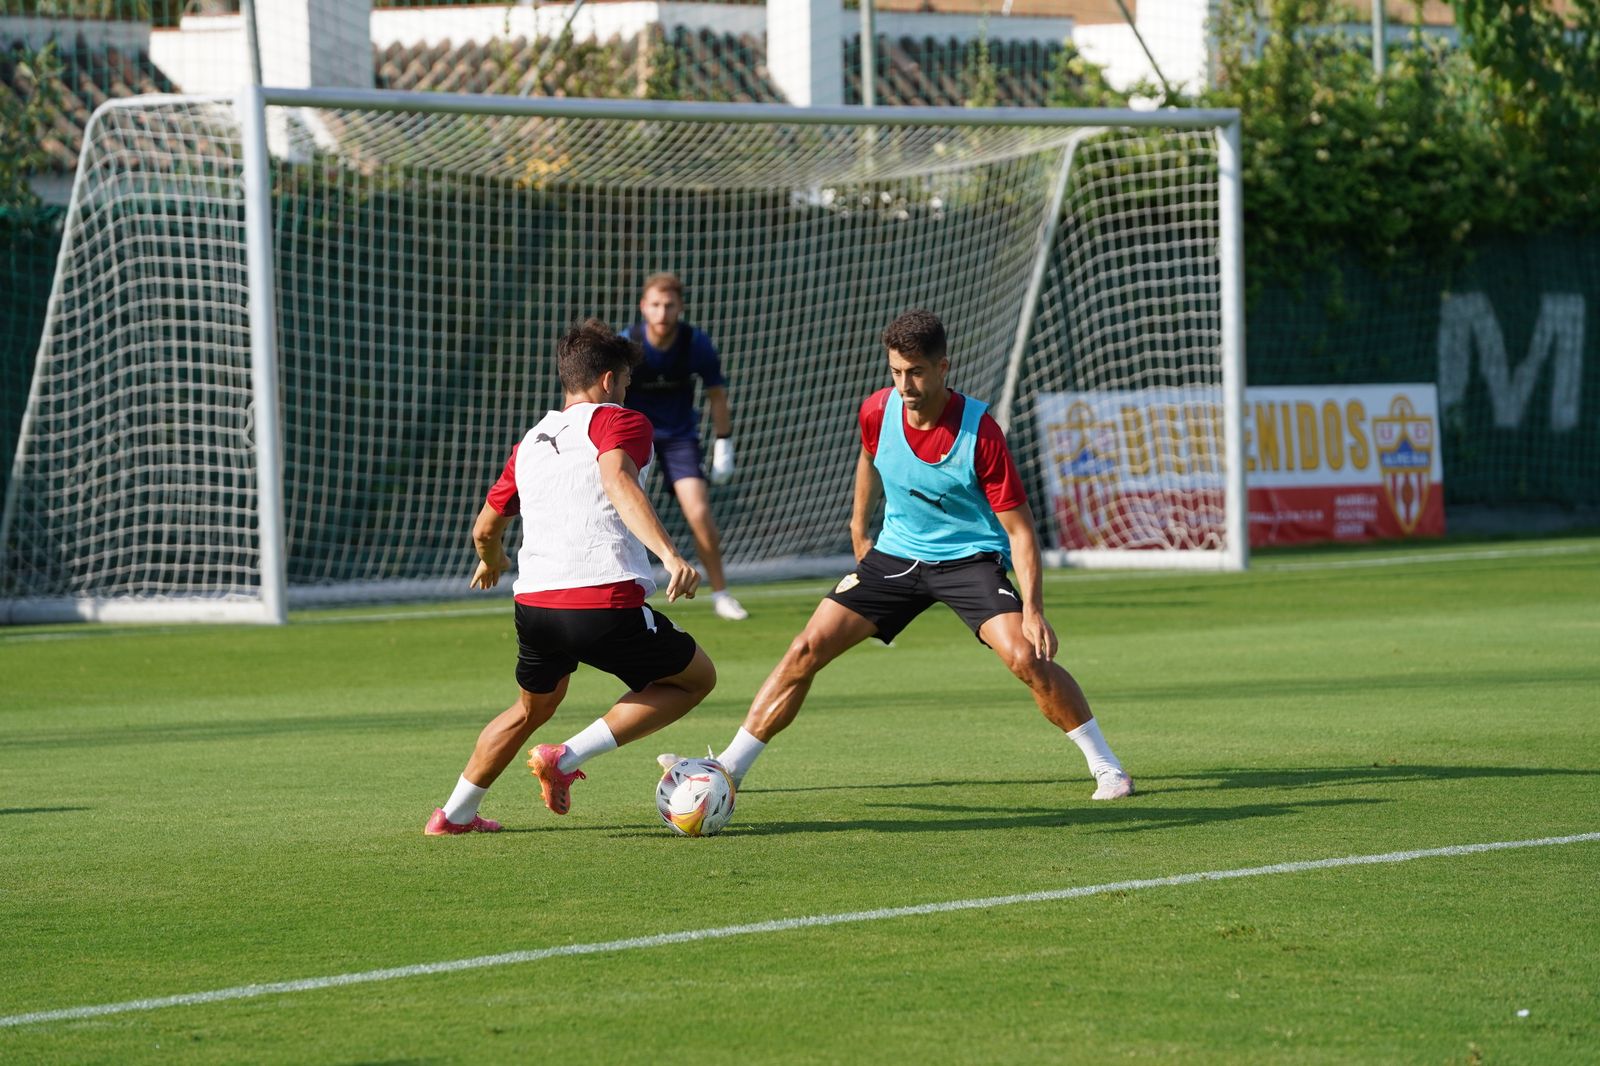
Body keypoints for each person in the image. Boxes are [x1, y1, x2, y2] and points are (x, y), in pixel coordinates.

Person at [659, 309, 1134, 802]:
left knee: (1025, 657)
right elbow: (869, 457)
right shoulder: (876, 410)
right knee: (805, 649)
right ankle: (729, 767)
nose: (905, 384)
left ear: (943, 367)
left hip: (968, 559)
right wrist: (857, 526)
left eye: (916, 372)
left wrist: (1033, 610)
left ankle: (1107, 767)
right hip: (896, 555)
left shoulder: (981, 433)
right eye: (896, 372)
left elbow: (1021, 531)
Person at [426, 318, 717, 835]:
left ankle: (453, 815)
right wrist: (670, 555)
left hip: (534, 608)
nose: (627, 393)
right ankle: (565, 756)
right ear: (608, 381)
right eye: (625, 383)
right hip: (601, 601)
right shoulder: (619, 421)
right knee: (696, 679)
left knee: (528, 709)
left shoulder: (531, 441)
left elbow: (485, 527)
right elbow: (617, 479)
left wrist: (491, 560)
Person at [622, 272, 748, 622]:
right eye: (655, 305)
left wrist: (724, 444)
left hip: (679, 439)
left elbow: (717, 394)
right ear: (643, 307)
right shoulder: (628, 344)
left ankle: (722, 594)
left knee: (700, 514)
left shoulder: (695, 343)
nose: (662, 312)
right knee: (619, 514)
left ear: (680, 308)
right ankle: (624, 597)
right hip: (634, 438)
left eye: (669, 305)